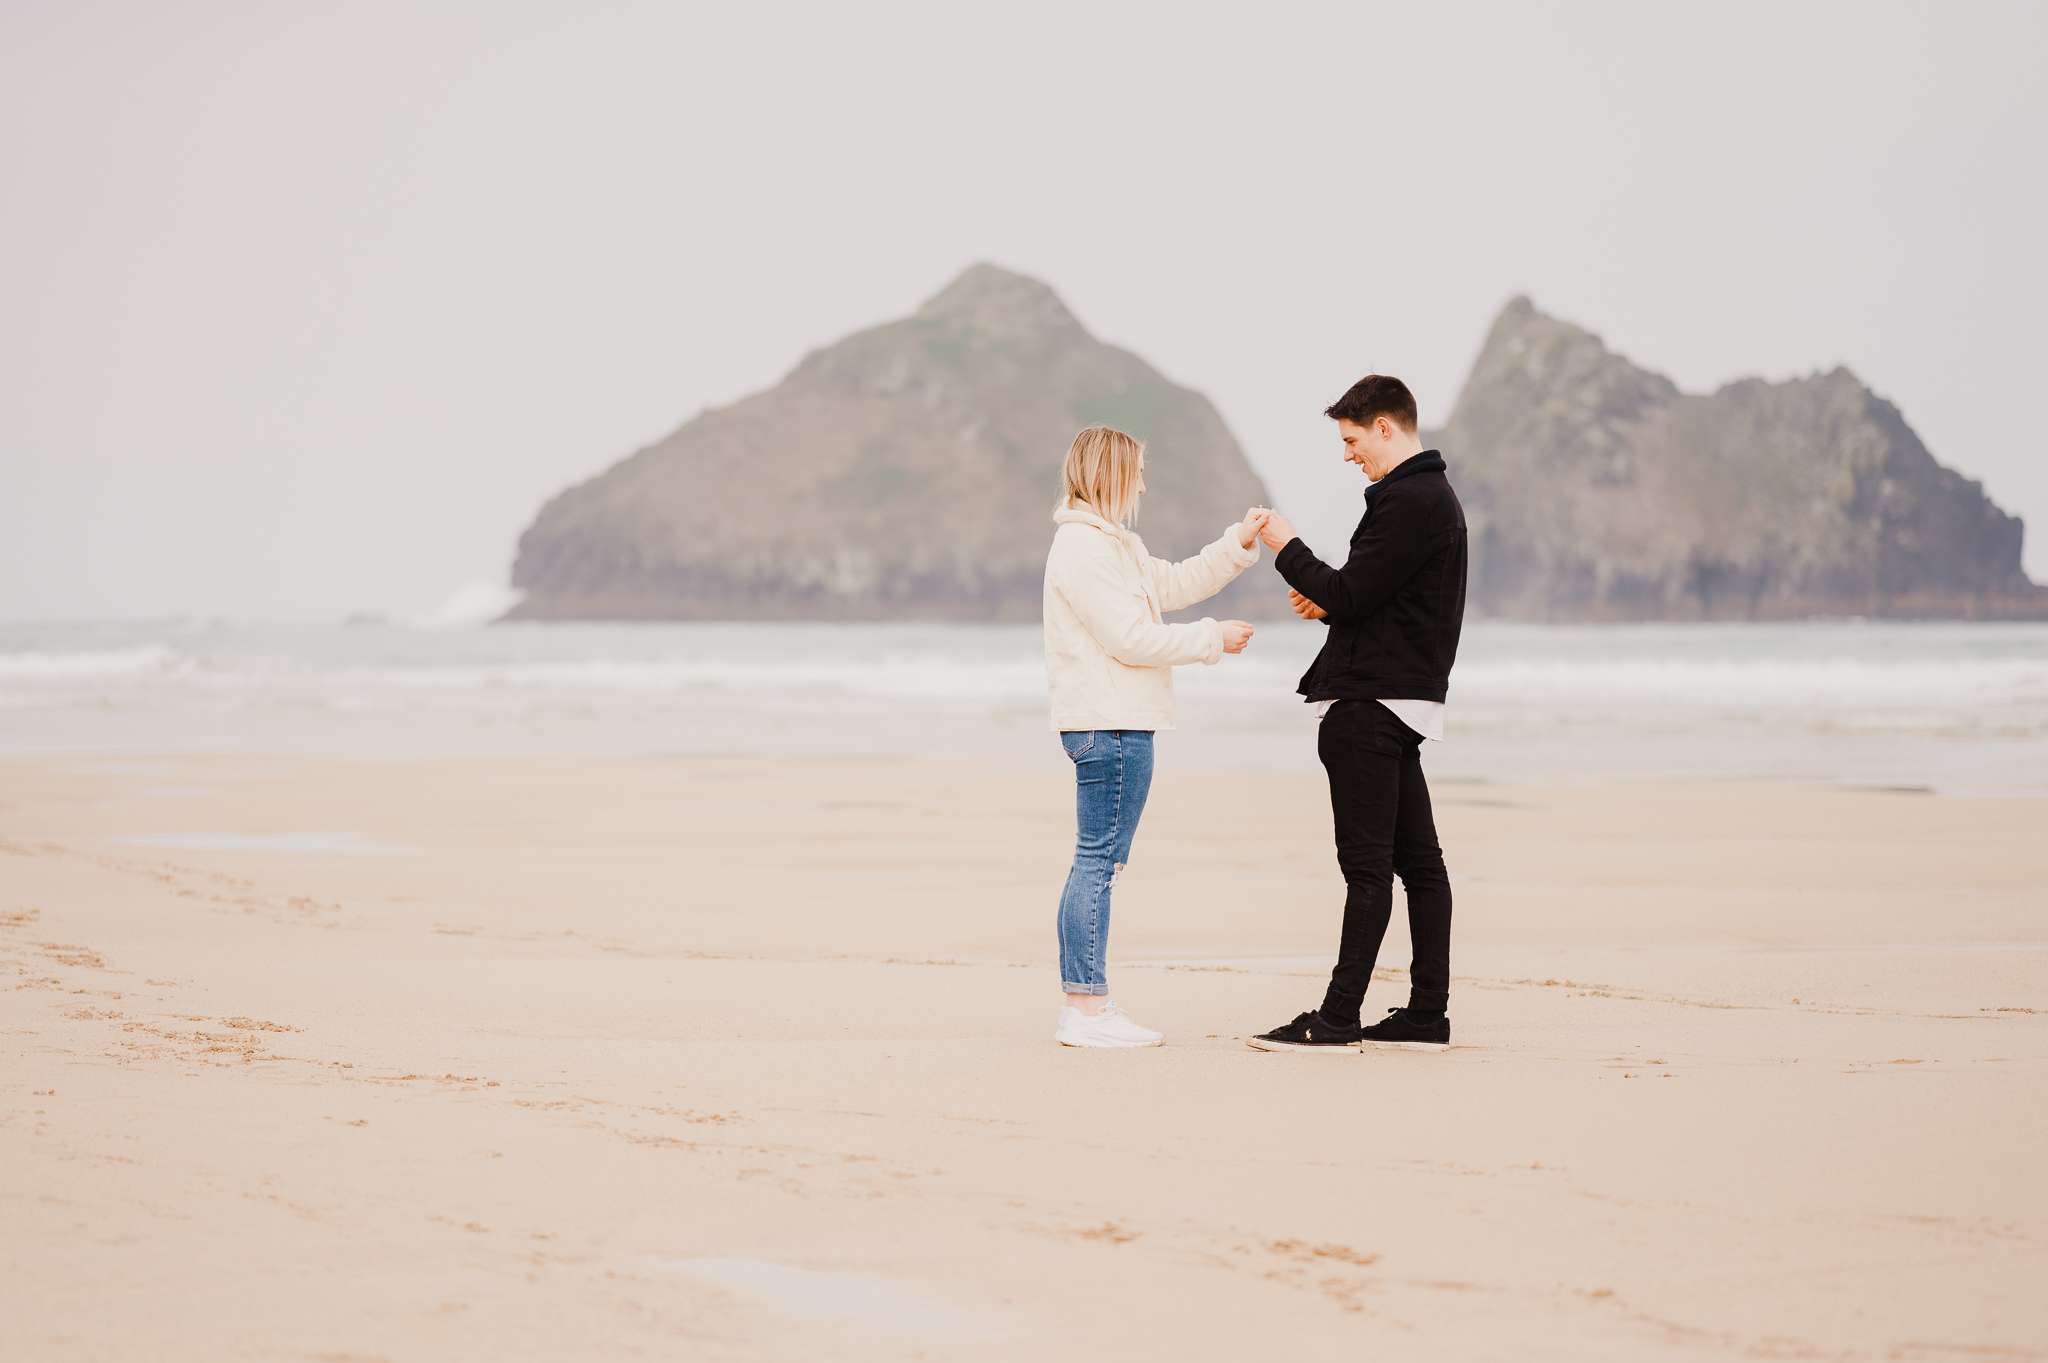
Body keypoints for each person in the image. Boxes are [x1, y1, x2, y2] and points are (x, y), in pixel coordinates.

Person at [1246, 375, 1468, 1052]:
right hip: (1404, 703)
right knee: (1420, 866)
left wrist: (1284, 546)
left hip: (1371, 707)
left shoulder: (1410, 498)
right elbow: (1374, 596)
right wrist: (1334, 601)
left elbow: (1349, 590)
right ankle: (1426, 1014)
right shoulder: (1431, 499)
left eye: (1351, 440)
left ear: (1384, 428)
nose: (1348, 455)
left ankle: (1338, 1017)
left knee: (1369, 870)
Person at [1042, 424, 1269, 1048]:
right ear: (1111, 474)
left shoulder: (1115, 545)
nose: (1143, 483)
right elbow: (1131, 639)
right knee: (1099, 863)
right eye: (1136, 471)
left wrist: (1236, 543)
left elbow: (1171, 586)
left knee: (1100, 861)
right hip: (1108, 724)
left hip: (1118, 721)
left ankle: (1085, 1004)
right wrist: (1211, 640)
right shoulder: (1084, 550)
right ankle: (1085, 1009)